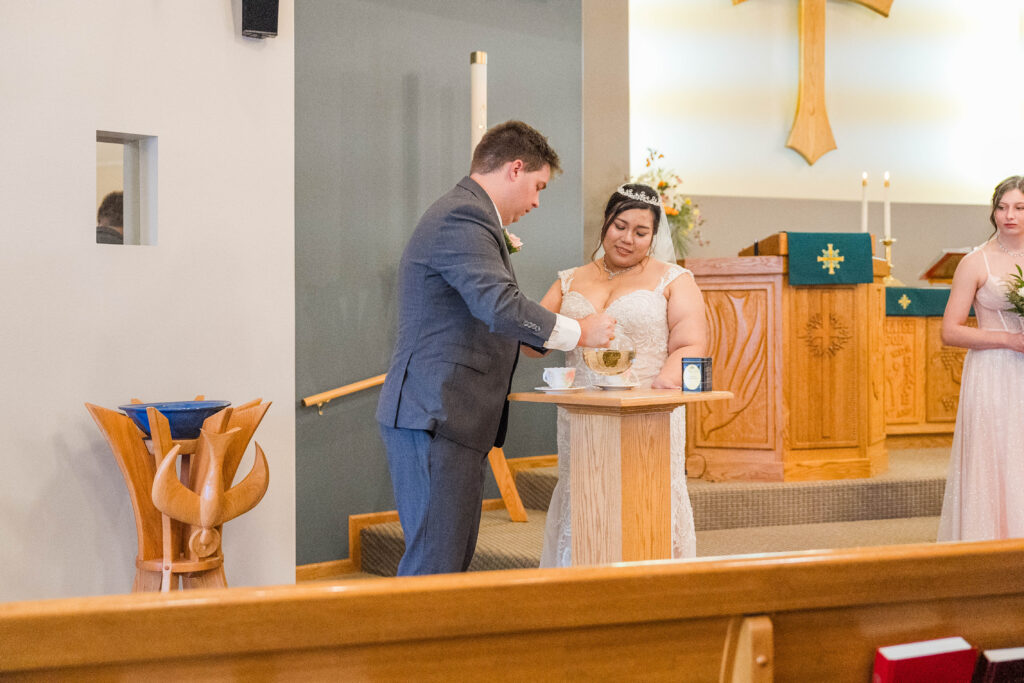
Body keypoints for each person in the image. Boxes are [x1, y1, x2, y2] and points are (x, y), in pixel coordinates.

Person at [376, 121, 617, 576]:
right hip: (435, 413)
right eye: (537, 187)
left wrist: (535, 338)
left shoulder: (469, 215)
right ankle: (412, 649)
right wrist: (578, 332)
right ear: (515, 168)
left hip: (449, 417)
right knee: (434, 565)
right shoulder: (461, 216)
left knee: (448, 562)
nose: (536, 202)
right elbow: (498, 305)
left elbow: (486, 308)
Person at [526, 183, 708, 567]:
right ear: (606, 223)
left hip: (649, 412)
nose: (627, 239)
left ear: (654, 236)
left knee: (645, 498)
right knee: (586, 496)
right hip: (583, 415)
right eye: (619, 226)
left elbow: (691, 343)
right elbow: (530, 342)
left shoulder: (673, 279)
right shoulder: (570, 279)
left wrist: (664, 385)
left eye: (640, 233)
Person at [938, 175, 1024, 542]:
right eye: (1002, 207)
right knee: (996, 458)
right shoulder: (976, 262)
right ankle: (992, 546)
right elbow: (950, 331)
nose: (1010, 216)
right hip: (994, 370)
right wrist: (1009, 339)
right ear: (993, 212)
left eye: (1020, 207)